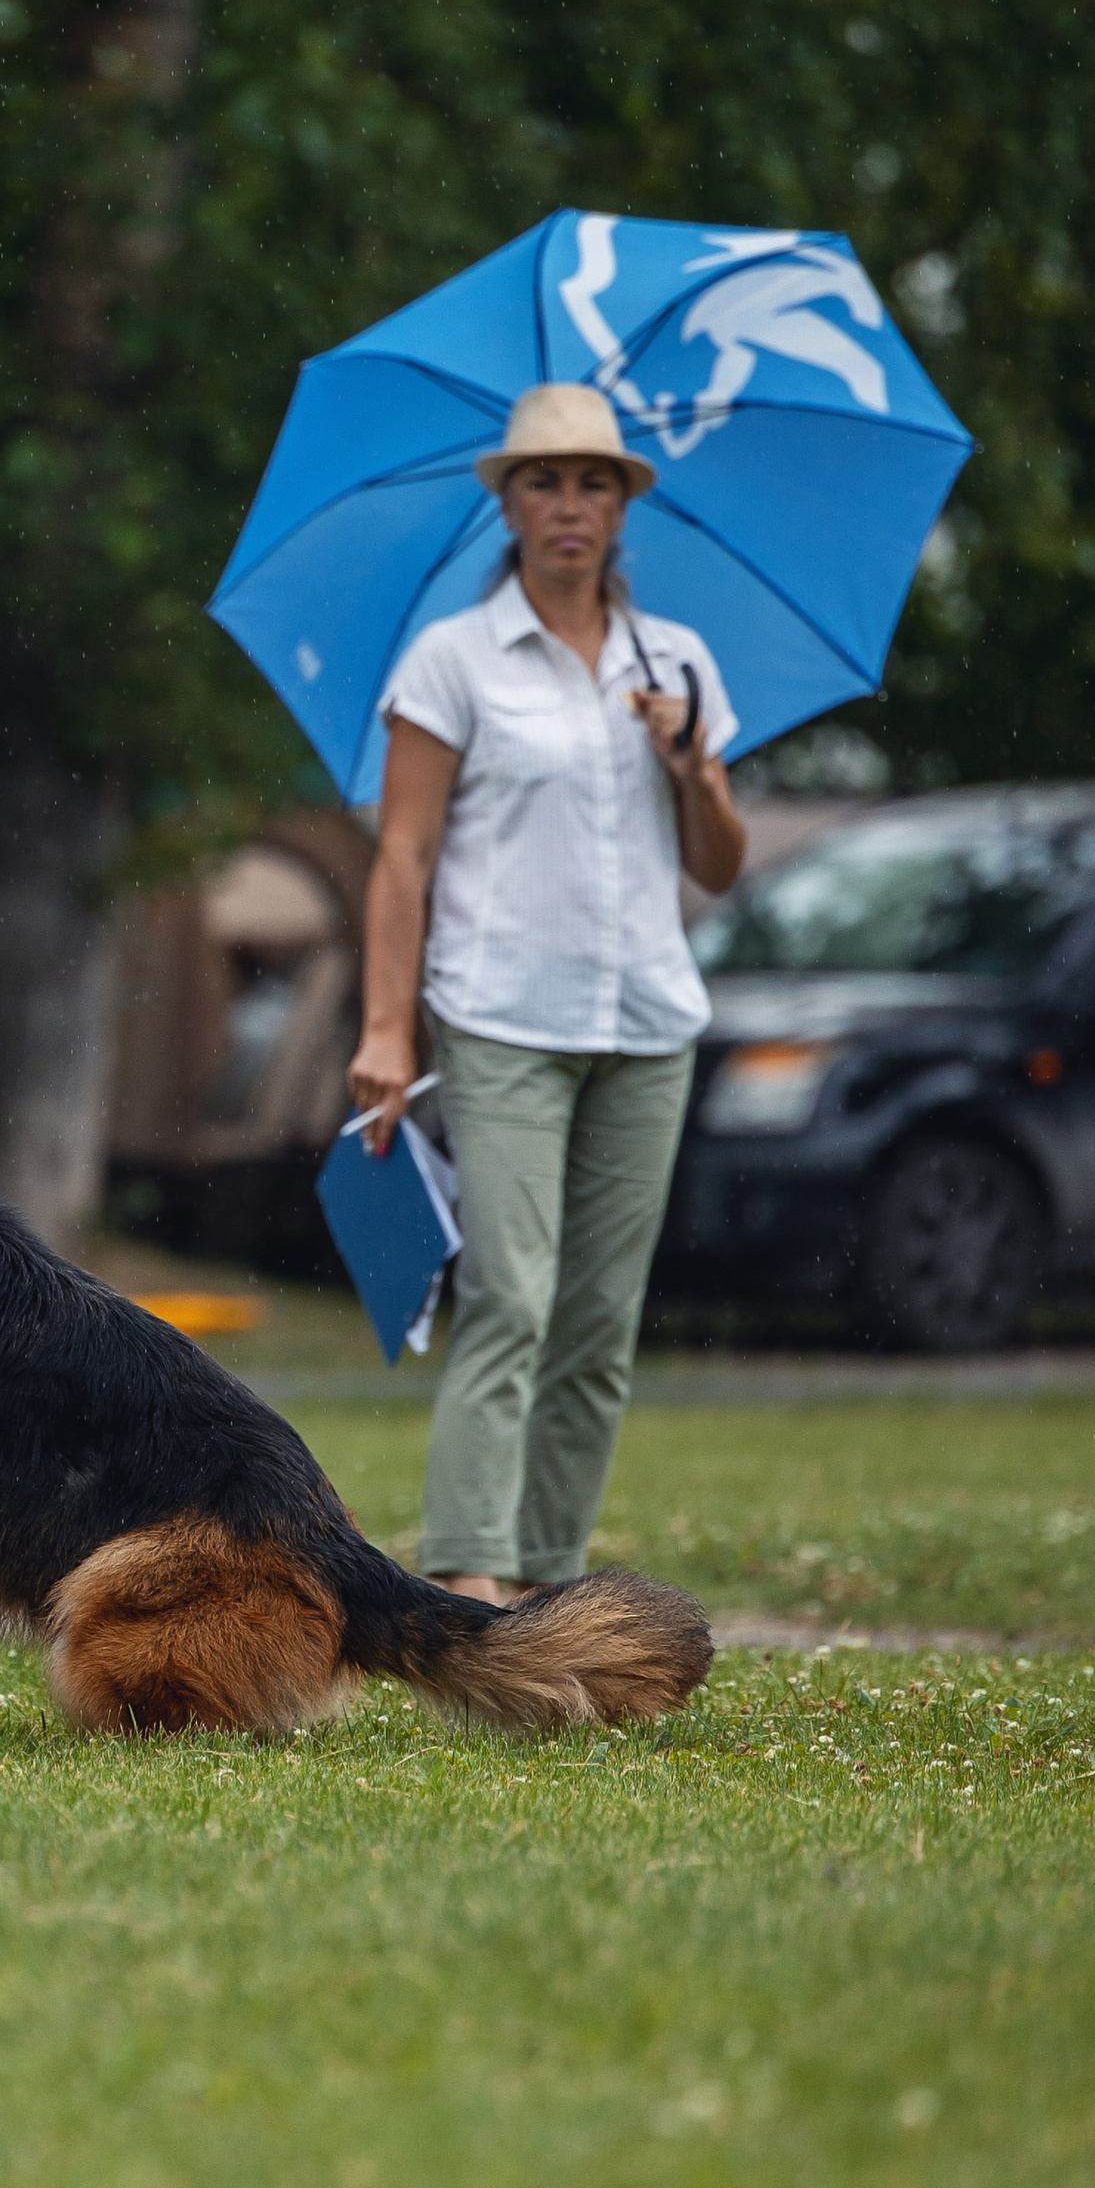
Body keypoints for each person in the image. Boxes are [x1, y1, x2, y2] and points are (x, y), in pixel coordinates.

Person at [348, 380, 747, 1606]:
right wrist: (382, 1028)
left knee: (596, 1322)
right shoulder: (453, 658)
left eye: (591, 483)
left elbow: (717, 868)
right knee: (511, 1296)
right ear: (508, 505)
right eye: (541, 482)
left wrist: (693, 769)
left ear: (623, 506)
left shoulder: (674, 659)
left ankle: (553, 1582)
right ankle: (469, 1584)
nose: (567, 505)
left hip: (646, 1022)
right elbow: (403, 857)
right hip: (498, 1014)